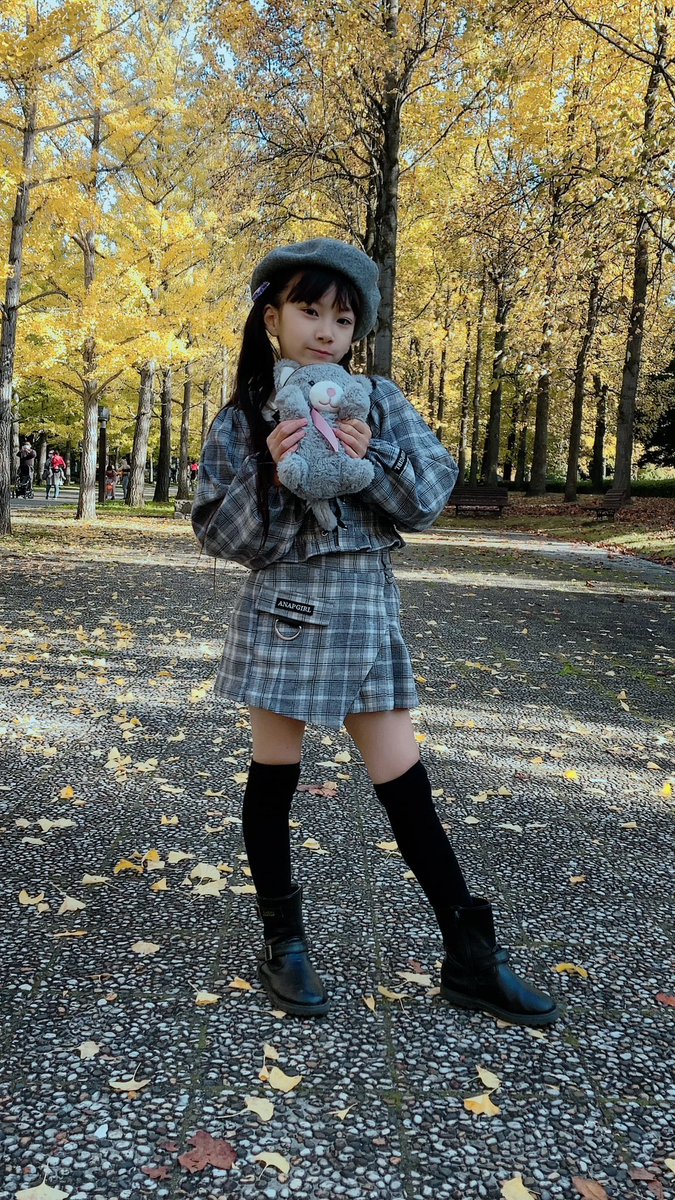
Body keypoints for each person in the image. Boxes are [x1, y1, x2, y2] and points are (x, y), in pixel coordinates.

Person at [192, 238, 558, 1027]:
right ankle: (283, 944)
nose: (326, 330)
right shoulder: (243, 416)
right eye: (308, 310)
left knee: (405, 783)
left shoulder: (379, 399)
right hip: (284, 610)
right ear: (271, 317)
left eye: (342, 317)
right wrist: (267, 468)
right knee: (273, 776)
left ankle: (469, 957)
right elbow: (220, 534)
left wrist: (376, 454)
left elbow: (428, 498)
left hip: (364, 608)